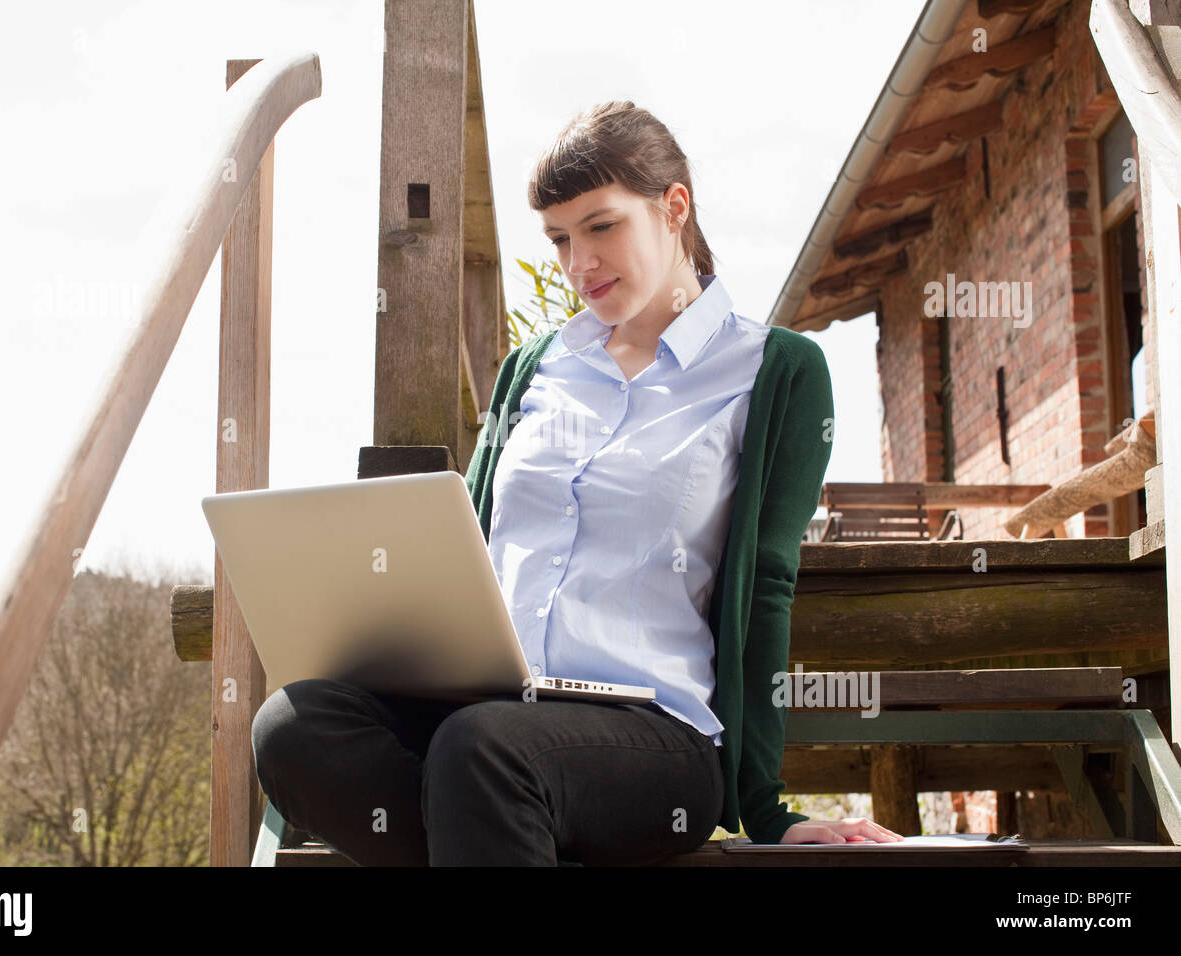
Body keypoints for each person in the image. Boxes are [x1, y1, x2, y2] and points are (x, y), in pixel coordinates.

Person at [251, 100, 903, 866]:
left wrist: (762, 805)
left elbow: (765, 587)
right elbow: (470, 547)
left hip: (653, 743)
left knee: (482, 755)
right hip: (487, 721)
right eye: (560, 239)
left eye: (601, 226)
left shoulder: (774, 372)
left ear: (674, 207)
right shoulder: (532, 370)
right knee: (294, 726)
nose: (578, 263)